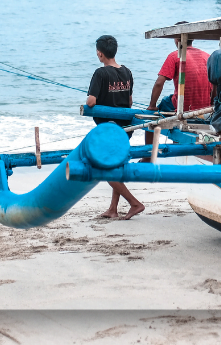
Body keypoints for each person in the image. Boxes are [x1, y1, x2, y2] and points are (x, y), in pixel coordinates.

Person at [86, 35, 144, 220]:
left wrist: (89, 101)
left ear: (100, 53)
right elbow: (129, 101)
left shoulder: (100, 73)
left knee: (104, 168)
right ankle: (113, 209)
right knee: (116, 164)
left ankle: (134, 203)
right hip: (125, 128)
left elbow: (91, 101)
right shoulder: (127, 71)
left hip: (109, 129)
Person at [145, 24, 213, 145]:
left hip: (183, 108)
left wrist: (152, 105)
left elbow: (159, 83)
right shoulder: (207, 57)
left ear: (177, 39)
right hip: (205, 109)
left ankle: (147, 156)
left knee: (152, 117)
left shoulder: (175, 55)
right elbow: (215, 86)